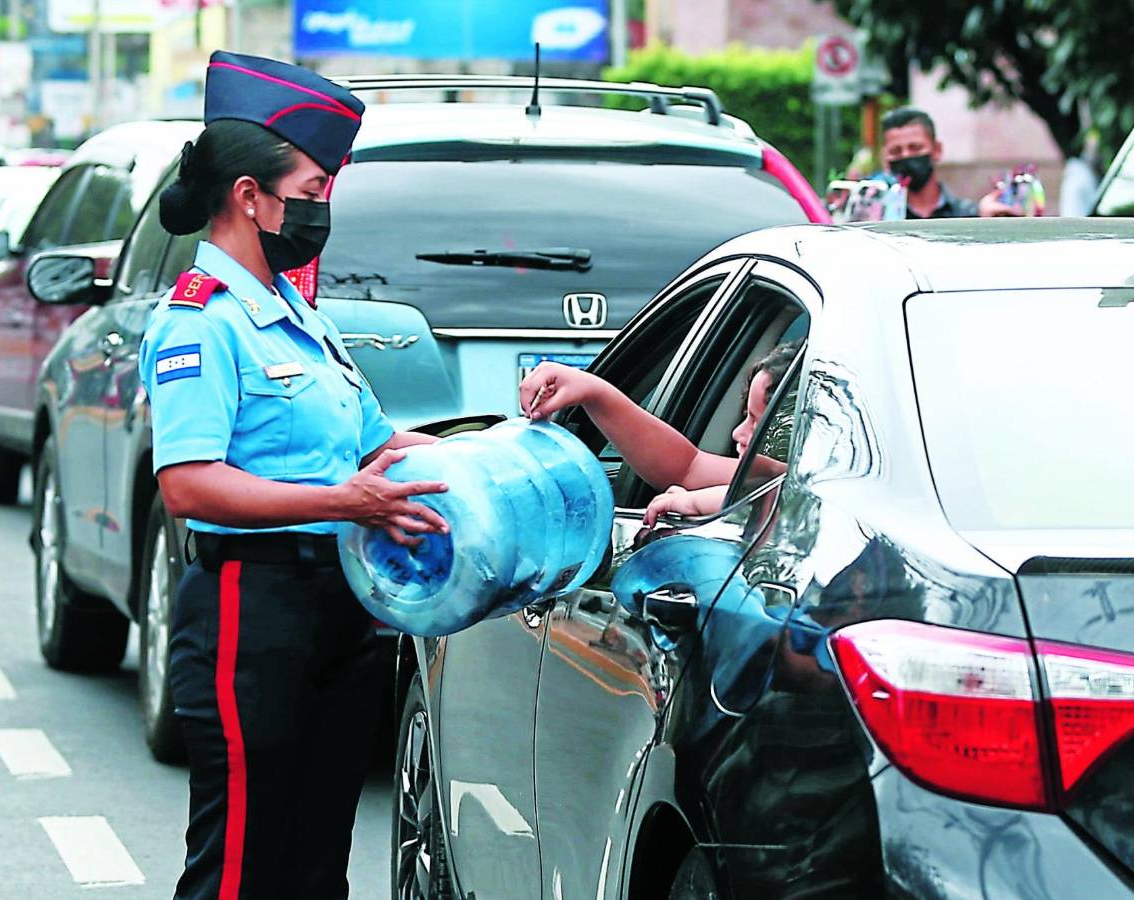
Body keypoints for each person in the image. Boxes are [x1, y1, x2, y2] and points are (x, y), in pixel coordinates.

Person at [137, 51, 450, 900]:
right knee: (240, 866)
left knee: (317, 869)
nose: (321, 211)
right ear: (250, 195)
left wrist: (498, 448)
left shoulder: (301, 318)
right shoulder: (202, 322)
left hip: (339, 609)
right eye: (311, 191)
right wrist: (344, 500)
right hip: (252, 609)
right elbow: (188, 485)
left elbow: (377, 446)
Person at [520, 341, 801, 527]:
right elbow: (687, 467)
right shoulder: (772, 473)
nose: (738, 433)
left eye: (758, 422)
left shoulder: (808, 505)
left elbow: (788, 500)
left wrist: (693, 502)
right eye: (745, 417)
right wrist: (593, 391)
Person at [881, 107, 1021, 219]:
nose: (906, 155)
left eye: (915, 148)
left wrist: (987, 223)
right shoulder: (880, 218)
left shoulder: (968, 216)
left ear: (937, 150)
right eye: (896, 151)